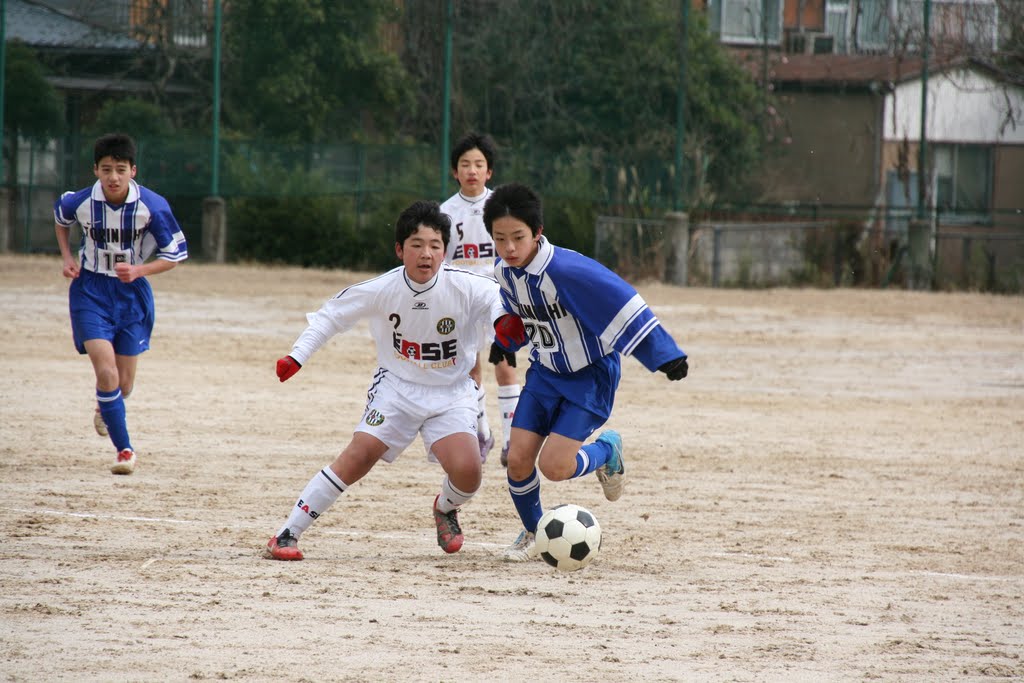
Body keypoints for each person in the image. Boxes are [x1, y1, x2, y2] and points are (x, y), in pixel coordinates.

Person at [264, 200, 507, 561]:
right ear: (399, 249)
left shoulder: (467, 286)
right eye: (416, 245)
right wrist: (297, 356)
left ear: (445, 251)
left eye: (435, 246)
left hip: (452, 393)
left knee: (469, 473)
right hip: (397, 389)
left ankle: (444, 508)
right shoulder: (382, 288)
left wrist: (505, 324)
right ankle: (287, 534)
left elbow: (499, 302)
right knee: (357, 457)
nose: (426, 254)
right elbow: (331, 316)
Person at [481, 183, 689, 561]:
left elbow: (620, 302)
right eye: (499, 238)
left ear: (537, 232)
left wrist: (664, 355)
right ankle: (534, 531)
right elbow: (520, 317)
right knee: (518, 460)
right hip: (545, 374)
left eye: (518, 237)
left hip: (589, 377)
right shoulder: (504, 272)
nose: (509, 248)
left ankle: (607, 450)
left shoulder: (566, 269)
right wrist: (505, 342)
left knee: (555, 467)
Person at [54, 133, 188, 475]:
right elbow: (61, 216)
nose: (113, 177)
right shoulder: (81, 202)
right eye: (106, 169)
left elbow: (176, 255)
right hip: (90, 291)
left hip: (132, 296)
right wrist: (68, 256)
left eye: (120, 169)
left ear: (133, 170)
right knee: (107, 371)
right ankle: (125, 450)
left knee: (123, 384)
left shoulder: (152, 207)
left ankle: (105, 407)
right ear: (96, 170)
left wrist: (140, 269)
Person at [441, 132, 520, 466]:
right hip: (464, 301)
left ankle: (511, 441)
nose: (472, 170)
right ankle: (481, 433)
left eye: (479, 164)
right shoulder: (445, 212)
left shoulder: (500, 207)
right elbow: (441, 262)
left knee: (505, 366)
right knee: (470, 370)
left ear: (489, 172)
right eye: (464, 164)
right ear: (455, 172)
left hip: (499, 299)